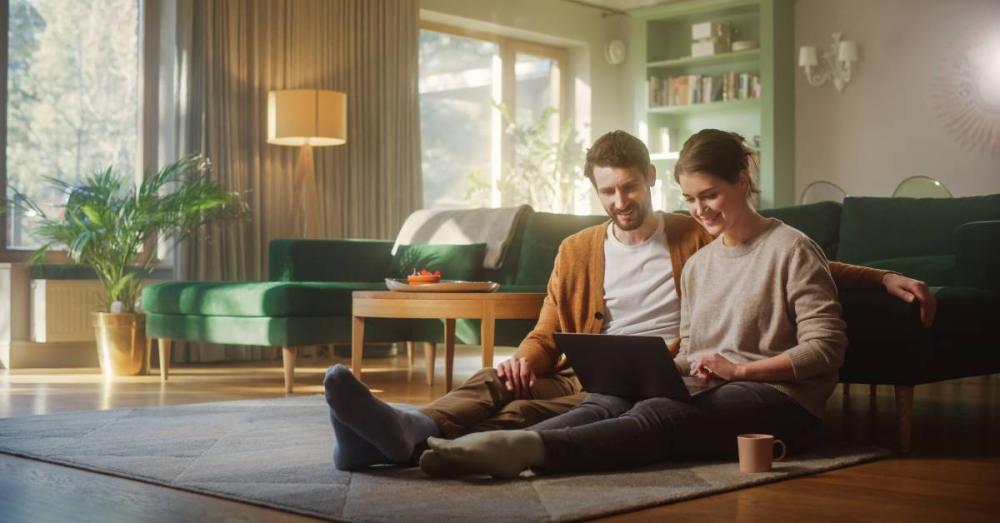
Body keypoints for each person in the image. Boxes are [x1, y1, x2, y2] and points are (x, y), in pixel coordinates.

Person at [322, 130, 936, 471]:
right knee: (498, 383)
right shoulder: (583, 250)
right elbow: (547, 329)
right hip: (598, 371)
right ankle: (406, 431)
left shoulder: (696, 237)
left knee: (555, 417)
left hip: (668, 374)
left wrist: (880, 276)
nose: (621, 201)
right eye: (608, 191)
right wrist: (527, 362)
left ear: (648, 181)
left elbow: (792, 262)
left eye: (630, 187)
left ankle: (436, 449)